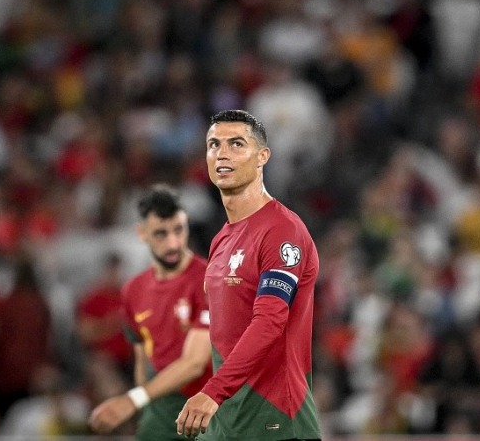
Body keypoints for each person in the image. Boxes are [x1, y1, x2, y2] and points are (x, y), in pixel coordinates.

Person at [176, 109, 322, 440]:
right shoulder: (221, 239)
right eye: (213, 144)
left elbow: (270, 321)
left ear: (262, 157)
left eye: (236, 144)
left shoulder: (282, 230)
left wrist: (213, 392)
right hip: (225, 425)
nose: (222, 153)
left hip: (275, 424)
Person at [89, 184, 212, 440]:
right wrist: (142, 407)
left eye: (179, 230)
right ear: (142, 233)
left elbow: (195, 363)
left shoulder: (209, 280)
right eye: (160, 234)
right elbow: (142, 358)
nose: (173, 243)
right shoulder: (134, 290)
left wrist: (131, 400)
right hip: (158, 415)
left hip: (206, 414)